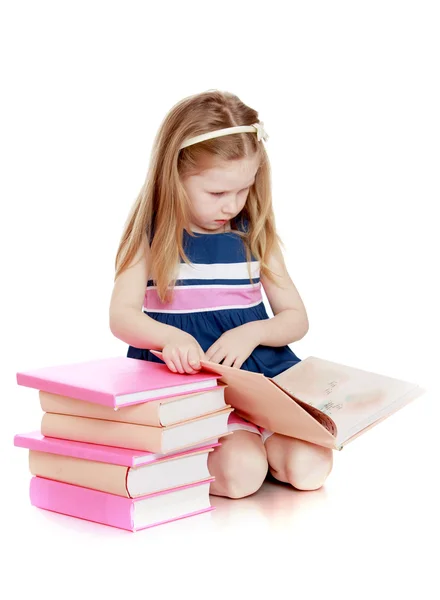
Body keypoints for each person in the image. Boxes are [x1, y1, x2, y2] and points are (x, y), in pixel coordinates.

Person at [109, 89, 333, 499]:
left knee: (310, 470)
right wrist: (168, 337)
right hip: (197, 390)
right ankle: (230, 446)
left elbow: (295, 319)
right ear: (173, 176)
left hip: (262, 381)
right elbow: (122, 316)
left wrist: (253, 332)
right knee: (241, 474)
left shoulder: (254, 235)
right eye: (216, 193)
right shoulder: (151, 238)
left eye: (243, 189)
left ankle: (263, 439)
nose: (231, 204)